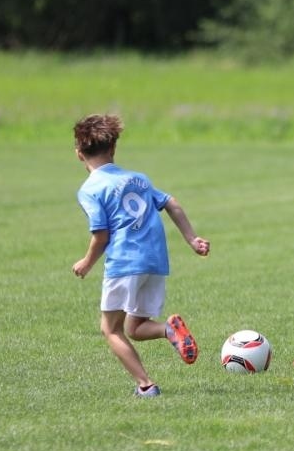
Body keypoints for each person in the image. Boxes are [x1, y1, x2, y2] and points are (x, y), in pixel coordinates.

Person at [71, 113, 210, 396]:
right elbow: (171, 202)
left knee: (110, 329)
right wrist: (192, 239)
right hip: (155, 262)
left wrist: (86, 263)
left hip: (124, 263)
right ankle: (168, 329)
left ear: (78, 154)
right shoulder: (138, 179)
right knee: (135, 327)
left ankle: (146, 385)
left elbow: (101, 235)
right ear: (113, 149)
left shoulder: (90, 190)